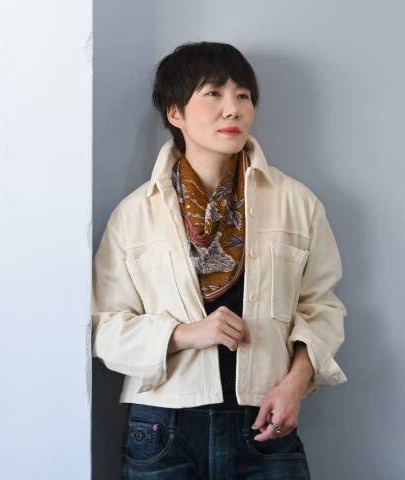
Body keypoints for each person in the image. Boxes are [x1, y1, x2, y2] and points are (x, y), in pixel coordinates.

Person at [92, 41, 347, 479]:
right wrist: (185, 334)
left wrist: (295, 385)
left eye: (243, 95)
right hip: (162, 428)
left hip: (266, 423)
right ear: (175, 112)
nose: (233, 109)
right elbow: (105, 327)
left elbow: (322, 308)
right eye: (213, 93)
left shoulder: (295, 203)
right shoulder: (134, 215)